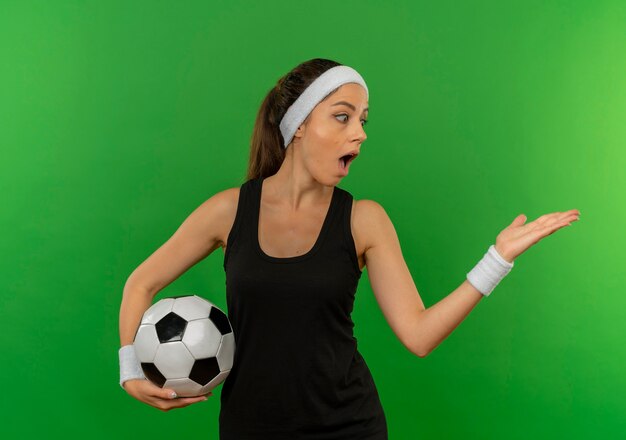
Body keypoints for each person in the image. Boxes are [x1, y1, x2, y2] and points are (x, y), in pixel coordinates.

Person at [118, 58, 580, 439]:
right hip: (249, 427)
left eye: (362, 120)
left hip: (348, 426)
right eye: (342, 116)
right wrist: (129, 370)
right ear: (297, 125)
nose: (359, 133)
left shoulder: (364, 219)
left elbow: (418, 336)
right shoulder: (228, 210)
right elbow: (142, 282)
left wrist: (496, 260)